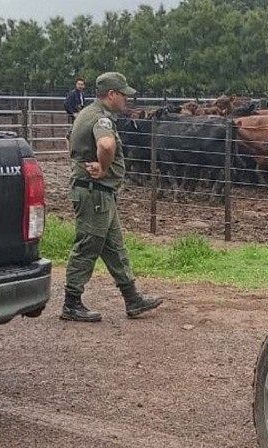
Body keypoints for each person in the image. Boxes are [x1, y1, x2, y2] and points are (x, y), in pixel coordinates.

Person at [61, 72, 162, 322]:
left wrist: (80, 162)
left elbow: (69, 139)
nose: (126, 100)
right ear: (112, 95)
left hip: (98, 193)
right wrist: (103, 168)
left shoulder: (85, 112)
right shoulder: (101, 119)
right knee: (88, 244)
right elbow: (106, 145)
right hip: (95, 193)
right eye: (124, 95)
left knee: (114, 246)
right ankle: (71, 302)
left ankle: (132, 298)